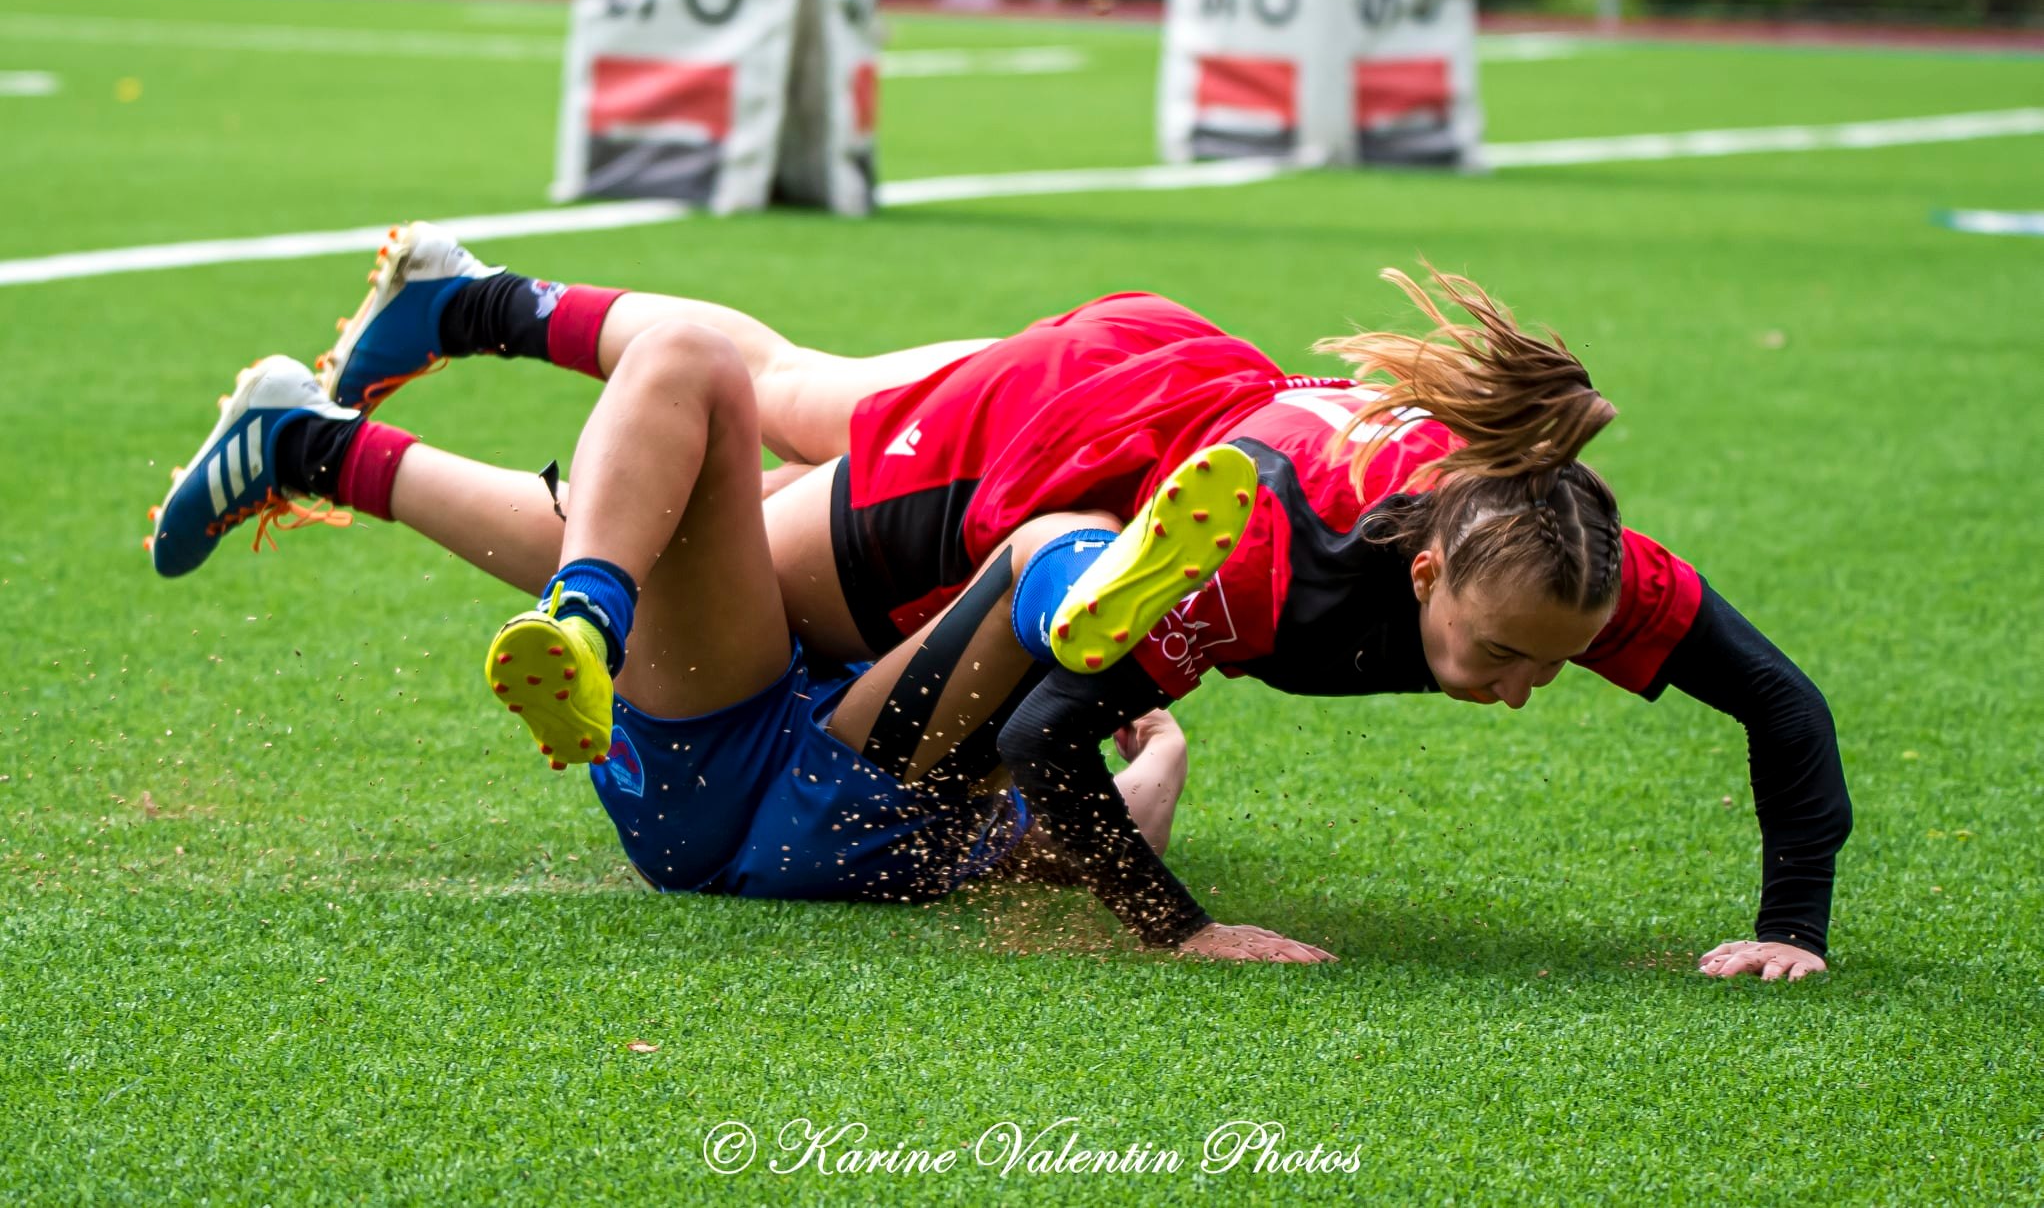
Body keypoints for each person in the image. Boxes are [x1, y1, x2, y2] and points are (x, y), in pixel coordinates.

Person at [175, 224, 1854, 978]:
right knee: (733, 412)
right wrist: (1169, 911)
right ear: (1425, 564)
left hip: (1114, 451)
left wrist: (1789, 922)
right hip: (1023, 499)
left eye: (1536, 666)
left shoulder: (1555, 559)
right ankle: (578, 582)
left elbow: (1778, 705)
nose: (1516, 688)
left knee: (761, 404)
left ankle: (361, 406)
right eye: (1491, 656)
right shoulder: (1269, 554)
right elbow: (1065, 743)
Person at [146, 338, 1331, 962]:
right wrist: (1165, 751)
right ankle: (308, 446)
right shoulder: (1013, 793)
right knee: (705, 493)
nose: (1520, 691)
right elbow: (1096, 814)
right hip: (769, 774)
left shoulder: (1012, 770)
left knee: (697, 388)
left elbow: (1087, 811)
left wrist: (1166, 845)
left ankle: (581, 605)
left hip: (737, 787)